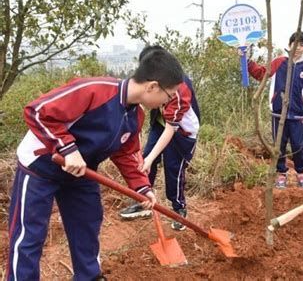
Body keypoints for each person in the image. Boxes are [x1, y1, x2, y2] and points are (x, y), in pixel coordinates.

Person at [6, 48, 184, 281]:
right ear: (152, 87)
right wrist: (68, 149)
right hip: (42, 164)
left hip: (82, 172)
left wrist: (142, 188)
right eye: (169, 95)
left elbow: (126, 154)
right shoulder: (95, 90)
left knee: (88, 223)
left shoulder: (134, 116)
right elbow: (37, 112)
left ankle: (88, 277)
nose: (168, 102)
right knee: (30, 234)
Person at [119, 46, 200, 231]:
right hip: (160, 123)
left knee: (173, 169)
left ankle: (179, 209)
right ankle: (143, 201)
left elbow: (171, 129)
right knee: (148, 159)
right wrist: (147, 157)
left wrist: (148, 159)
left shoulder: (179, 89)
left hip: (181, 132)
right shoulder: (150, 83)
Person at [246, 31, 303, 189]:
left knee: (298, 145)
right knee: (279, 145)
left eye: (302, 45)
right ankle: (281, 173)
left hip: (297, 115)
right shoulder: (279, 62)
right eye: (295, 43)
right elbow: (261, 73)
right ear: (290, 45)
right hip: (278, 113)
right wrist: (248, 62)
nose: (297, 47)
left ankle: (300, 172)